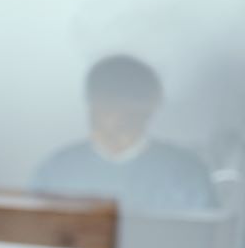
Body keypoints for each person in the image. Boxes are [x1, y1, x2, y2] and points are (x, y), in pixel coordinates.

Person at [32, 54, 218, 213]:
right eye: (105, 100)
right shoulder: (57, 169)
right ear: (91, 101)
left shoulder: (185, 171)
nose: (113, 114)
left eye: (125, 102)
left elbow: (206, 244)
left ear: (151, 104)